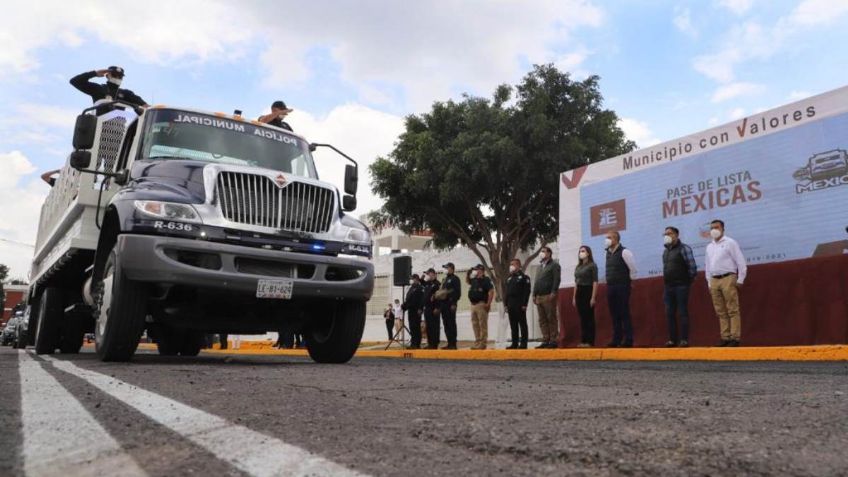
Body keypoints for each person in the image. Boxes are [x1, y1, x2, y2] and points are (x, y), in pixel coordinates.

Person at [704, 219, 747, 347]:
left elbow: (741, 262)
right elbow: (707, 266)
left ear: (723, 229)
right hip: (714, 280)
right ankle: (725, 337)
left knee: (732, 308)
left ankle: (735, 337)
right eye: (712, 228)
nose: (714, 230)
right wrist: (709, 283)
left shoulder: (730, 243)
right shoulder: (709, 246)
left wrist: (741, 279)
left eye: (716, 227)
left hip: (728, 277)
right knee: (720, 311)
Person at [662, 227, 698, 347]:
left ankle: (684, 340)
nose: (667, 235)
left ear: (676, 235)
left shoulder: (684, 248)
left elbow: (692, 267)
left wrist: (687, 281)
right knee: (669, 313)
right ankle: (672, 340)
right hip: (668, 287)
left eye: (670, 233)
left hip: (681, 285)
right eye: (665, 234)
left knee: (682, 312)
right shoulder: (665, 251)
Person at [604, 231, 637, 347]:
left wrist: (630, 281)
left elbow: (632, 268)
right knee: (614, 314)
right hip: (611, 286)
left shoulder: (624, 252)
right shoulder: (607, 253)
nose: (607, 239)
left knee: (624, 312)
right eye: (606, 237)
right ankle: (616, 339)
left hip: (622, 286)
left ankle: (628, 339)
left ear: (616, 239)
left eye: (609, 237)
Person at [70, 66, 148, 106]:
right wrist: (94, 73)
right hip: (98, 127)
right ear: (107, 76)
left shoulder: (126, 94)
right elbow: (74, 81)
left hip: (118, 130)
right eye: (114, 75)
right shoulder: (98, 89)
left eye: (120, 76)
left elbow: (144, 106)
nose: (117, 78)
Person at [532, 246, 561, 348]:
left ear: (549, 253)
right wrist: (534, 295)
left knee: (551, 318)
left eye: (544, 251)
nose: (542, 253)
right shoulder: (540, 267)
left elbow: (556, 280)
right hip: (539, 296)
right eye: (541, 251)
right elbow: (536, 282)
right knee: (542, 320)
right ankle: (546, 339)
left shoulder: (554, 265)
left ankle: (553, 340)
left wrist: (553, 292)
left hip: (548, 295)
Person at [572, 246, 599, 347]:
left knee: (589, 317)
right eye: (580, 251)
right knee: (582, 317)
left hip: (588, 290)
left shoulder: (592, 265)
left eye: (583, 251)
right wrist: (574, 297)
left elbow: (595, 282)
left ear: (588, 253)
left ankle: (590, 341)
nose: (581, 253)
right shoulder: (578, 267)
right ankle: (583, 340)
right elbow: (576, 282)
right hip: (579, 291)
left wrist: (593, 297)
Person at [504, 258, 531, 349]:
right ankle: (514, 343)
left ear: (519, 266)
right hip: (511, 304)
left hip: (519, 303)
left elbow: (526, 292)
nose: (511, 266)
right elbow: (507, 293)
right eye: (511, 264)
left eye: (513, 264)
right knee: (513, 325)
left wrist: (525, 304)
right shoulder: (509, 278)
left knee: (522, 324)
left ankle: (523, 343)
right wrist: (505, 304)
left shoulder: (524, 277)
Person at [467, 264, 495, 350]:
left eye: (477, 269)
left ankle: (483, 343)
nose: (475, 271)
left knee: (482, 324)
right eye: (475, 269)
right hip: (473, 304)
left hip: (481, 304)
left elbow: (491, 291)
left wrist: (488, 304)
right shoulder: (474, 280)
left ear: (481, 270)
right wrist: (469, 272)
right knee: (475, 324)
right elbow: (467, 280)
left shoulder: (486, 280)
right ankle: (477, 342)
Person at [437, 262, 461, 350]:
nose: (445, 270)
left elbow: (457, 292)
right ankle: (449, 343)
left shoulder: (455, 279)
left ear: (451, 268)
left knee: (451, 324)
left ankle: (453, 344)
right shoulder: (445, 279)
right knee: (446, 324)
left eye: (447, 268)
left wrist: (454, 303)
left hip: (450, 304)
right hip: (444, 305)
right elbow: (442, 292)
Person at [402, 274, 425, 349]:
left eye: (412, 279)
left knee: (416, 327)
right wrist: (404, 306)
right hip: (410, 310)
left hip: (416, 310)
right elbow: (408, 299)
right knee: (412, 327)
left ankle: (417, 344)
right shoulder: (411, 288)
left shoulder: (420, 287)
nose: (411, 280)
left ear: (416, 279)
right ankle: (413, 343)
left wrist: (421, 308)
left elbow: (421, 299)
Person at [422, 268, 441, 349]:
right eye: (427, 274)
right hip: (427, 308)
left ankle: (434, 344)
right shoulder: (428, 283)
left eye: (428, 273)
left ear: (433, 273)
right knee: (428, 326)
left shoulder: (437, 284)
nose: (428, 275)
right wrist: (422, 278)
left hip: (434, 308)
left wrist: (437, 307)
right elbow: (422, 283)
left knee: (434, 326)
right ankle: (430, 343)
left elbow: (440, 297)